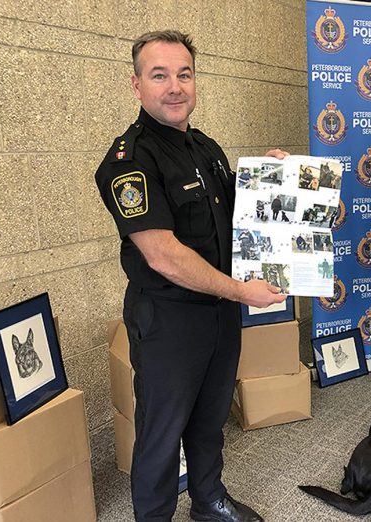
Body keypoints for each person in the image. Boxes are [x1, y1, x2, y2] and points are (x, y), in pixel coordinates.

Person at [94, 30, 287, 522]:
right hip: (168, 321)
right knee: (162, 435)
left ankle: (208, 501)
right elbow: (163, 255)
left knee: (209, 418)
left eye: (184, 74)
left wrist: (271, 177)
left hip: (219, 314)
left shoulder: (206, 149)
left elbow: (238, 214)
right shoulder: (128, 162)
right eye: (159, 75)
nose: (175, 86)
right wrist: (241, 291)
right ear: (136, 85)